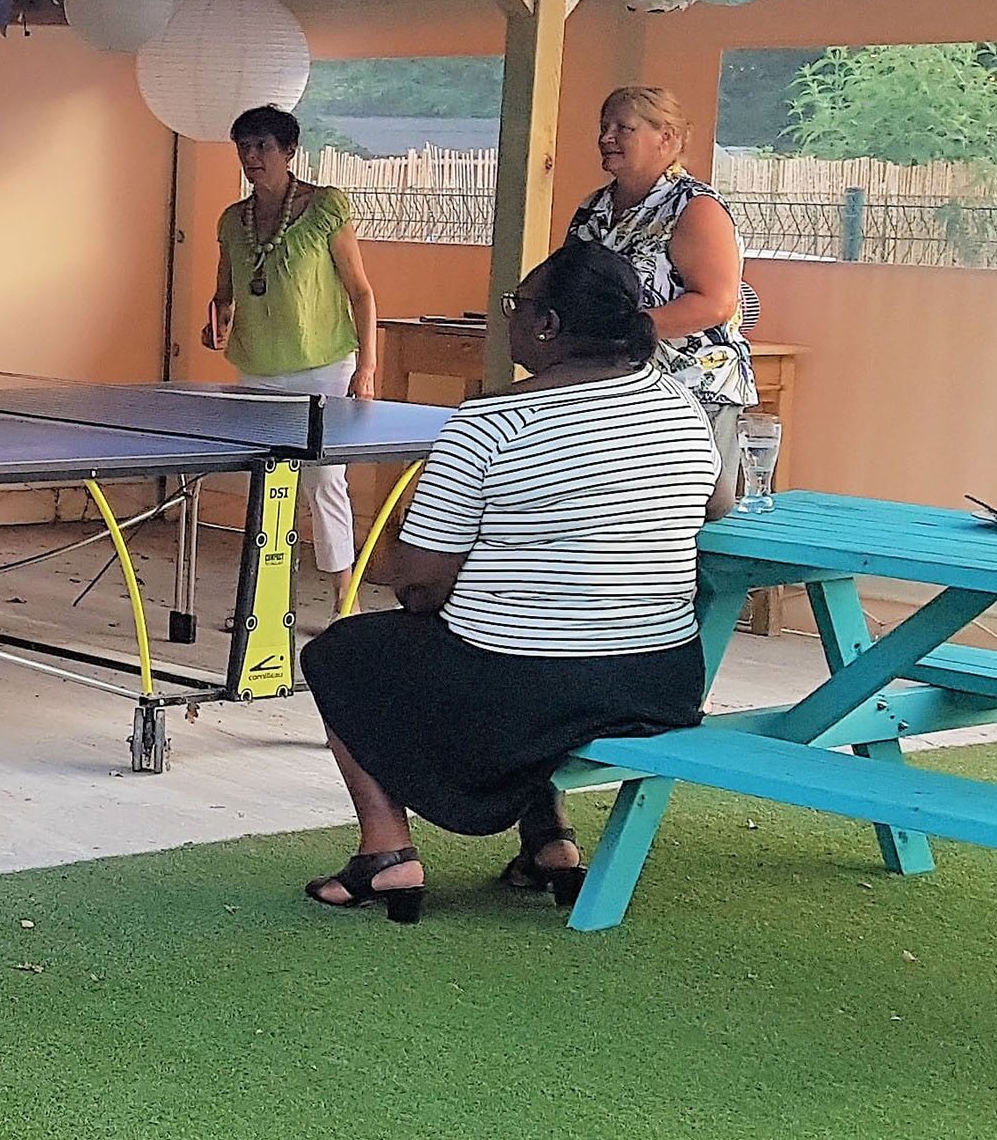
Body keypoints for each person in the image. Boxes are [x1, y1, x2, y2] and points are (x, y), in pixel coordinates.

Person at [294, 241, 720, 923]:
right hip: (659, 683)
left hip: (521, 692)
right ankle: (548, 838)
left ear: (547, 325)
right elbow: (716, 506)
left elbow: (419, 588)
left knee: (343, 653)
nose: (509, 318)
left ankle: (386, 853)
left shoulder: (488, 423)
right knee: (525, 641)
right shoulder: (679, 403)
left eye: (515, 306)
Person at [200, 104, 381, 614]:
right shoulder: (233, 221)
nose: (251, 156)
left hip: (323, 364)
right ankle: (263, 603)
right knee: (268, 483)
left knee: (325, 480)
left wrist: (366, 367)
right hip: (257, 368)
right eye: (244, 147)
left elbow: (361, 292)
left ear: (289, 151)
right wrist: (216, 321)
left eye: (262, 146)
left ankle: (345, 599)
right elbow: (225, 292)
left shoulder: (325, 207)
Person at [570, 85, 760, 512]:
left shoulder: (695, 208)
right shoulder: (594, 208)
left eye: (623, 128)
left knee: (697, 520)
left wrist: (627, 331)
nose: (606, 138)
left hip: (693, 393)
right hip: (613, 390)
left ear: (667, 138)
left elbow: (716, 303)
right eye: (604, 126)